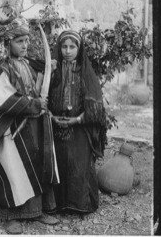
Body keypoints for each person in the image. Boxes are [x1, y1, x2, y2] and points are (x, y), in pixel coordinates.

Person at [0, 17, 60, 234]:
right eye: (19, 42)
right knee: (13, 170)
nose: (25, 45)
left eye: (26, 40)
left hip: (32, 127)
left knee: (36, 164)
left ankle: (36, 211)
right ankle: (10, 216)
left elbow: (37, 86)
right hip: (12, 131)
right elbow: (3, 98)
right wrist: (33, 103)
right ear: (9, 44)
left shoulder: (28, 64)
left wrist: (46, 77)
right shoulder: (3, 71)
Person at [48, 30, 108, 214]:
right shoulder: (52, 71)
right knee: (58, 162)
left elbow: (96, 108)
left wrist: (77, 119)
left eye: (72, 46)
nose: (67, 51)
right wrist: (51, 116)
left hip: (80, 128)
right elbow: (41, 96)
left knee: (78, 164)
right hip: (55, 127)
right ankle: (57, 204)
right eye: (64, 46)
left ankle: (80, 205)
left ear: (79, 48)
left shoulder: (85, 73)